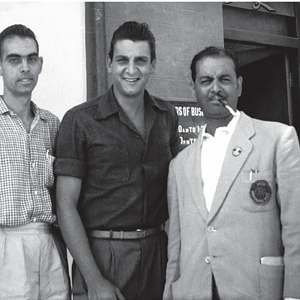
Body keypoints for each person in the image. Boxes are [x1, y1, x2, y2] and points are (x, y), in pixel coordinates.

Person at [54, 21, 180, 300]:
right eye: (122, 60)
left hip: (158, 253)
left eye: (141, 61)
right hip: (103, 255)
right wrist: (95, 281)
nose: (131, 70)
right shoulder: (80, 120)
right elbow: (65, 205)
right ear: (109, 63)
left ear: (153, 65)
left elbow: (176, 193)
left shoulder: (166, 116)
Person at [163, 46, 300, 300]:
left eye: (224, 79)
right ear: (193, 89)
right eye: (205, 81)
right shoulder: (179, 165)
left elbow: (296, 230)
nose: (215, 88)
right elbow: (176, 249)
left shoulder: (278, 140)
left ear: (238, 85)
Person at [0, 24, 70, 299]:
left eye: (31, 59)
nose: (24, 67)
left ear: (40, 64)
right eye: (14, 59)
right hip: (6, 244)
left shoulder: (52, 124)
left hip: (49, 243)